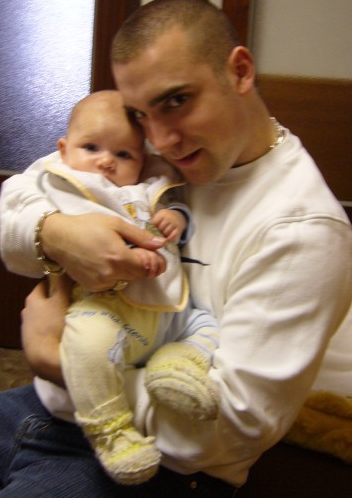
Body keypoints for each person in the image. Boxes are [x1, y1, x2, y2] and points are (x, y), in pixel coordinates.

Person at [0, 0, 352, 498]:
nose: (160, 139)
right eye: (140, 115)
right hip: (46, 407)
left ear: (240, 72)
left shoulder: (301, 230)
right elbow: (15, 206)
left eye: (177, 101)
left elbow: (231, 430)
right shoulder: (150, 162)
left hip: (157, 458)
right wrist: (52, 232)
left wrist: (58, 361)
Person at [18, 90, 221, 485]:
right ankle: (112, 431)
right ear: (63, 149)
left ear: (142, 160)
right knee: (88, 344)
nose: (106, 161)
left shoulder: (149, 186)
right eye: (91, 147)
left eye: (124, 154)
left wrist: (176, 218)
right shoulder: (61, 184)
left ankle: (178, 365)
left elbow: (174, 208)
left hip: (167, 312)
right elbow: (19, 217)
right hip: (104, 308)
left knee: (207, 325)